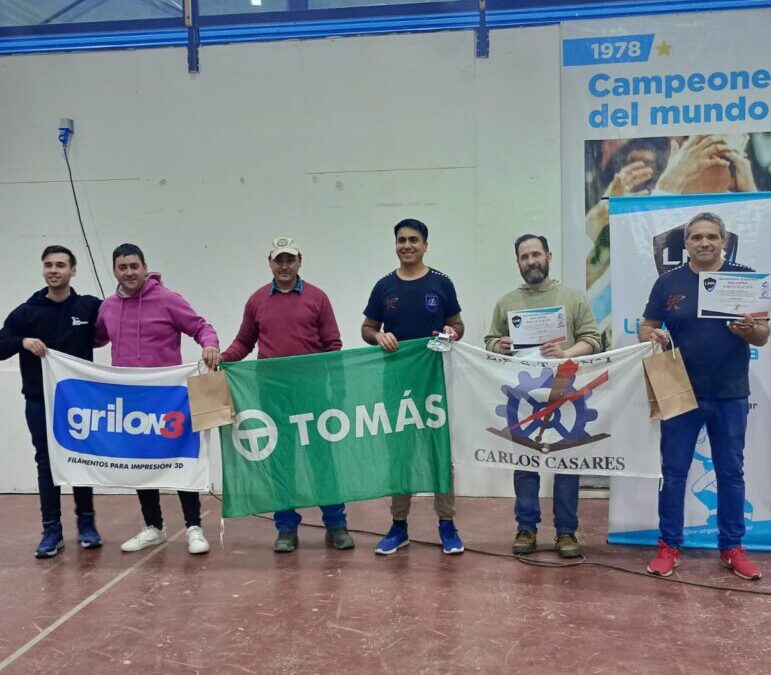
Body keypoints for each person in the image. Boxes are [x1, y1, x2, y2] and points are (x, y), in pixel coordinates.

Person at [638, 212, 768, 580]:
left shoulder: (744, 278)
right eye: (696, 237)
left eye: (712, 236)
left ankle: (732, 548)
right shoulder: (668, 282)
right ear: (687, 243)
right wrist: (654, 336)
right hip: (679, 391)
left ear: (723, 241)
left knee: (731, 473)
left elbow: (762, 336)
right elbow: (646, 327)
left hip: (729, 392)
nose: (704, 242)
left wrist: (751, 330)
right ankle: (669, 546)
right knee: (674, 472)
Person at [221, 237, 354, 554]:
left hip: (313, 396)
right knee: (281, 462)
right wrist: (223, 357)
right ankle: (285, 528)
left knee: (322, 461)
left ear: (299, 262)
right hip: (273, 396)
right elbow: (244, 343)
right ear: (269, 263)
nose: (284, 266)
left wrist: (337, 390)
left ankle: (336, 525)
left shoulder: (317, 298)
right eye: (278, 260)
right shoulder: (257, 301)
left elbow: (333, 346)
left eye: (289, 260)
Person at [95, 243, 220, 555]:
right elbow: (93, 337)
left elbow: (201, 327)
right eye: (122, 267)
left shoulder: (167, 299)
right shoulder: (108, 307)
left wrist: (211, 345)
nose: (128, 273)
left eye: (134, 266)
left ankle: (194, 527)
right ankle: (154, 527)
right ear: (114, 271)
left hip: (169, 400)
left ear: (144, 266)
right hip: (131, 401)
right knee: (141, 464)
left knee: (181, 461)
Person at [484, 234, 602, 558]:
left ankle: (566, 532)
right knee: (524, 464)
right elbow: (490, 340)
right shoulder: (506, 303)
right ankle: (526, 528)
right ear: (518, 262)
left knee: (566, 464)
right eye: (524, 257)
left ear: (548, 256)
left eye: (536, 254)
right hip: (524, 396)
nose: (531, 261)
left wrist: (566, 352)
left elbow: (594, 340)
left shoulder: (572, 297)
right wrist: (499, 345)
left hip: (567, 395)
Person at [362, 218, 465, 555]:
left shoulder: (441, 283)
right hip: (395, 383)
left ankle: (447, 525)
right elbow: (367, 327)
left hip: (434, 381)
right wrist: (378, 336)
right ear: (396, 245)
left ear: (425, 245)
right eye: (401, 240)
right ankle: (399, 526)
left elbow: (457, 325)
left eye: (413, 240)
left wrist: (452, 334)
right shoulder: (383, 287)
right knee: (400, 455)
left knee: (439, 453)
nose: (407, 245)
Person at [0, 245, 102, 557]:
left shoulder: (88, 308)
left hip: (79, 403)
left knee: (81, 460)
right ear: (43, 270)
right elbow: (1, 345)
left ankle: (87, 524)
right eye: (48, 265)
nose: (54, 270)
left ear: (73, 270)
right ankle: (51, 529)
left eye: (60, 265)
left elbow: (122, 315)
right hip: (38, 401)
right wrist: (22, 341)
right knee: (46, 462)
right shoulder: (26, 312)